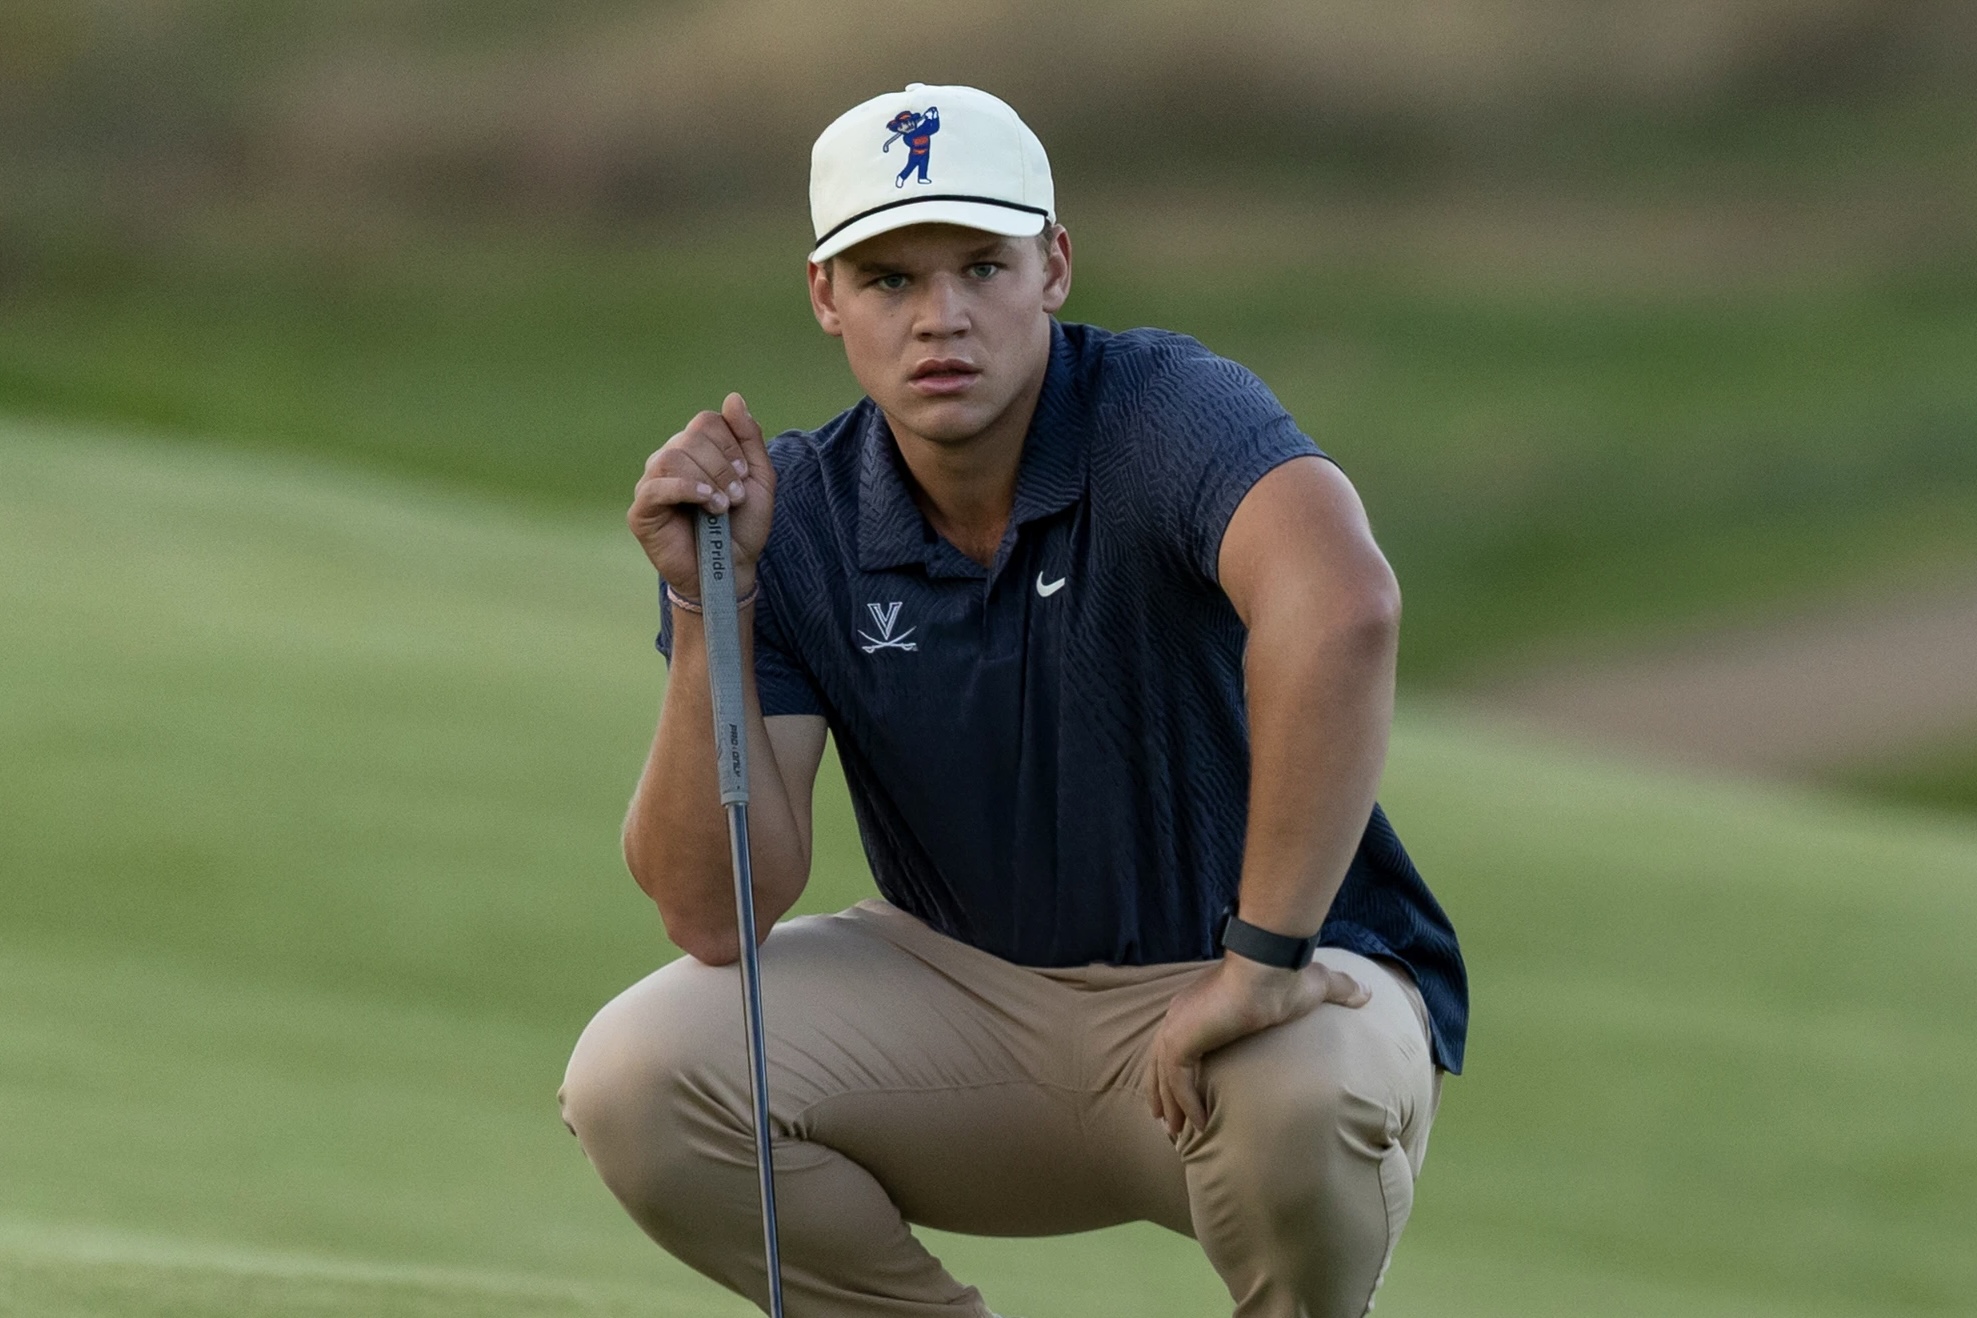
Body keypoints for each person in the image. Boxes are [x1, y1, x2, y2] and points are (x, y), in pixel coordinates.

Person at [560, 82, 1468, 1318]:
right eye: (889, 279)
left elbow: (1344, 609)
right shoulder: (802, 514)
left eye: (982, 265)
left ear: (1054, 265)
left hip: (1261, 987)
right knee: (637, 1076)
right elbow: (716, 913)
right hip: (967, 1003)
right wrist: (718, 609)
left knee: (1303, 1094)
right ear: (826, 295)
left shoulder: (1161, 413)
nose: (942, 318)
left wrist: (1260, 962)